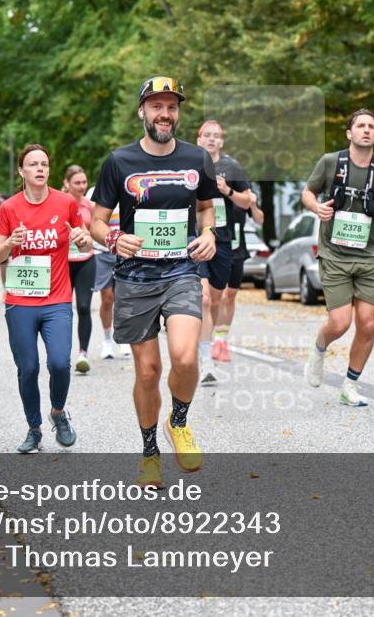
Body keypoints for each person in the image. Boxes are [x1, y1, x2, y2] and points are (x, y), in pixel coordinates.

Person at [90, 75, 218, 489]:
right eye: (157, 106)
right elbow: (94, 221)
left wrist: (210, 234)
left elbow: (205, 209)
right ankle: (149, 453)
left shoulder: (197, 158)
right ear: (142, 111)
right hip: (134, 278)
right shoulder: (118, 162)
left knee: (184, 357)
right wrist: (113, 236)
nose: (165, 114)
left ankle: (178, 421)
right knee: (147, 372)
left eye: (172, 107)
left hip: (181, 271)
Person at [302, 108, 374, 406]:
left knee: (368, 322)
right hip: (335, 253)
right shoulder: (331, 162)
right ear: (349, 133)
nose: (366, 130)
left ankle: (350, 385)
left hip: (369, 254)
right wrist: (316, 208)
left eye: (371, 126)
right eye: (360, 125)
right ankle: (319, 348)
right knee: (339, 323)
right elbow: (307, 193)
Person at [0, 144, 91, 453]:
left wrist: (82, 237)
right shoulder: (9, 208)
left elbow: (85, 238)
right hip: (20, 301)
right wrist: (9, 242)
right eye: (33, 164)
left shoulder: (65, 204)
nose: (40, 169)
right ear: (21, 171)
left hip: (57, 298)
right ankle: (33, 428)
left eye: (44, 164)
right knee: (29, 368)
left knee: (60, 362)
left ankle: (58, 413)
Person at [196, 120, 254, 381]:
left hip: (223, 240)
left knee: (217, 300)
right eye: (206, 135)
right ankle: (205, 360)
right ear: (199, 139)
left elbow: (248, 200)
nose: (211, 139)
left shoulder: (232, 167)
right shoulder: (190, 163)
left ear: (222, 141)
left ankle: (211, 340)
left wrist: (227, 190)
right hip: (197, 238)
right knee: (204, 299)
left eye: (216, 136)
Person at [219, 188, 264, 356]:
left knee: (230, 296)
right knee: (219, 295)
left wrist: (252, 205)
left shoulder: (242, 198)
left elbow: (260, 220)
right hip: (217, 250)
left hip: (237, 251)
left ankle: (221, 338)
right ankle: (213, 338)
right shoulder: (216, 196)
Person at [62, 165, 97, 374]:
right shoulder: (58, 203)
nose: (82, 187)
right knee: (63, 310)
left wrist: (86, 238)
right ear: (67, 184)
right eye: (77, 183)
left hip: (85, 260)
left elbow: (95, 234)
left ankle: (83, 353)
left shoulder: (89, 205)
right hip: (62, 263)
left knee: (84, 307)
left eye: (84, 182)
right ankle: (61, 353)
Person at [88, 190, 131, 359]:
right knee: (107, 297)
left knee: (124, 297)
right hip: (102, 252)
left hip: (125, 251)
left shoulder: (130, 187)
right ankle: (107, 341)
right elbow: (91, 221)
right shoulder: (93, 192)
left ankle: (123, 338)